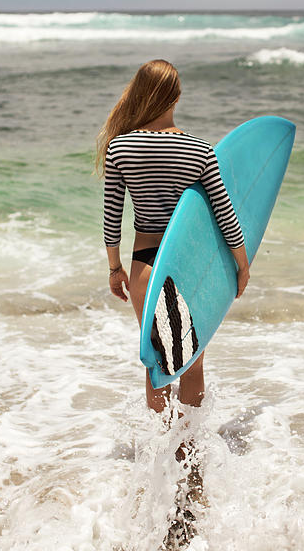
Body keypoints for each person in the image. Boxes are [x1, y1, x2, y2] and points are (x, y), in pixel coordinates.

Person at [96, 59, 250, 414]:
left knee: (157, 365)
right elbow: (226, 215)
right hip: (188, 268)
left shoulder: (120, 149)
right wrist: (242, 265)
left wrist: (114, 269)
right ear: (176, 97)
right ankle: (187, 452)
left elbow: (112, 217)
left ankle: (160, 453)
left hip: (145, 267)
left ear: (137, 94)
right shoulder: (200, 151)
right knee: (193, 364)